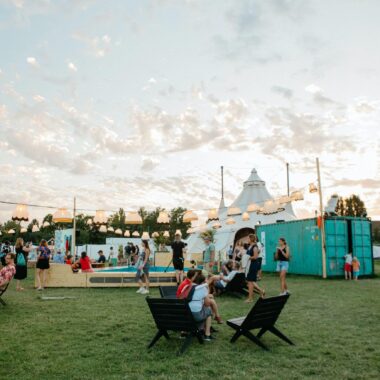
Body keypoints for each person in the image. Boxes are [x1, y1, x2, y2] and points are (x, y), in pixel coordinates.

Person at [188, 274, 214, 341]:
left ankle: (183, 333)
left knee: (194, 309)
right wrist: (207, 289)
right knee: (208, 310)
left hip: (184, 316)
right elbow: (207, 304)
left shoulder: (187, 287)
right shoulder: (202, 288)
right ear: (202, 282)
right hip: (195, 316)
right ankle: (207, 334)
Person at [245, 234, 265, 302]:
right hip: (249, 265)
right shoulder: (249, 246)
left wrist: (247, 258)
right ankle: (261, 291)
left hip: (253, 265)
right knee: (250, 281)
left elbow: (255, 257)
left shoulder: (255, 246)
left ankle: (250, 298)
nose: (247, 240)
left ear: (251, 239)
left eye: (248, 238)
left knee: (250, 281)